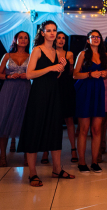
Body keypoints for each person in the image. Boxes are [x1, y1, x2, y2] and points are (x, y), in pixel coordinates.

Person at [17, 20, 75, 187]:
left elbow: (54, 76)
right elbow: (29, 75)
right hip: (38, 94)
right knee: (35, 130)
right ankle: (32, 173)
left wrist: (60, 68)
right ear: (42, 33)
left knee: (55, 130)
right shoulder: (37, 50)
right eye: (48, 30)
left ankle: (57, 169)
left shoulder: (57, 53)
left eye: (54, 30)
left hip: (54, 94)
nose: (52, 33)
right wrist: (51, 68)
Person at [0, 31, 31, 167]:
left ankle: (26, 154)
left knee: (25, 120)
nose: (23, 40)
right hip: (9, 89)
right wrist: (8, 76)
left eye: (26, 38)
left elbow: (35, 74)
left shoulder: (31, 56)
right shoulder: (7, 56)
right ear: (15, 40)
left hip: (25, 89)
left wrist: (28, 75)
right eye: (21, 37)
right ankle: (2, 155)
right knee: (5, 119)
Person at [74, 30, 107, 174]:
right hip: (85, 91)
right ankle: (82, 162)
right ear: (88, 40)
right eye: (93, 37)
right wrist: (89, 74)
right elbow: (75, 74)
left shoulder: (104, 55)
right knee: (84, 129)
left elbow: (104, 72)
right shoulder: (82, 54)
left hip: (98, 91)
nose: (96, 39)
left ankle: (94, 162)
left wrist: (104, 74)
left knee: (97, 129)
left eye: (98, 37)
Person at [41, 31, 77, 165]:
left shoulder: (69, 54)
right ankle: (45, 150)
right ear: (54, 39)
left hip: (66, 88)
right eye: (59, 38)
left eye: (63, 38)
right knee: (50, 120)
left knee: (69, 120)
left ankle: (74, 149)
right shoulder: (49, 52)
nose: (61, 40)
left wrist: (70, 65)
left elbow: (72, 73)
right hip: (52, 87)